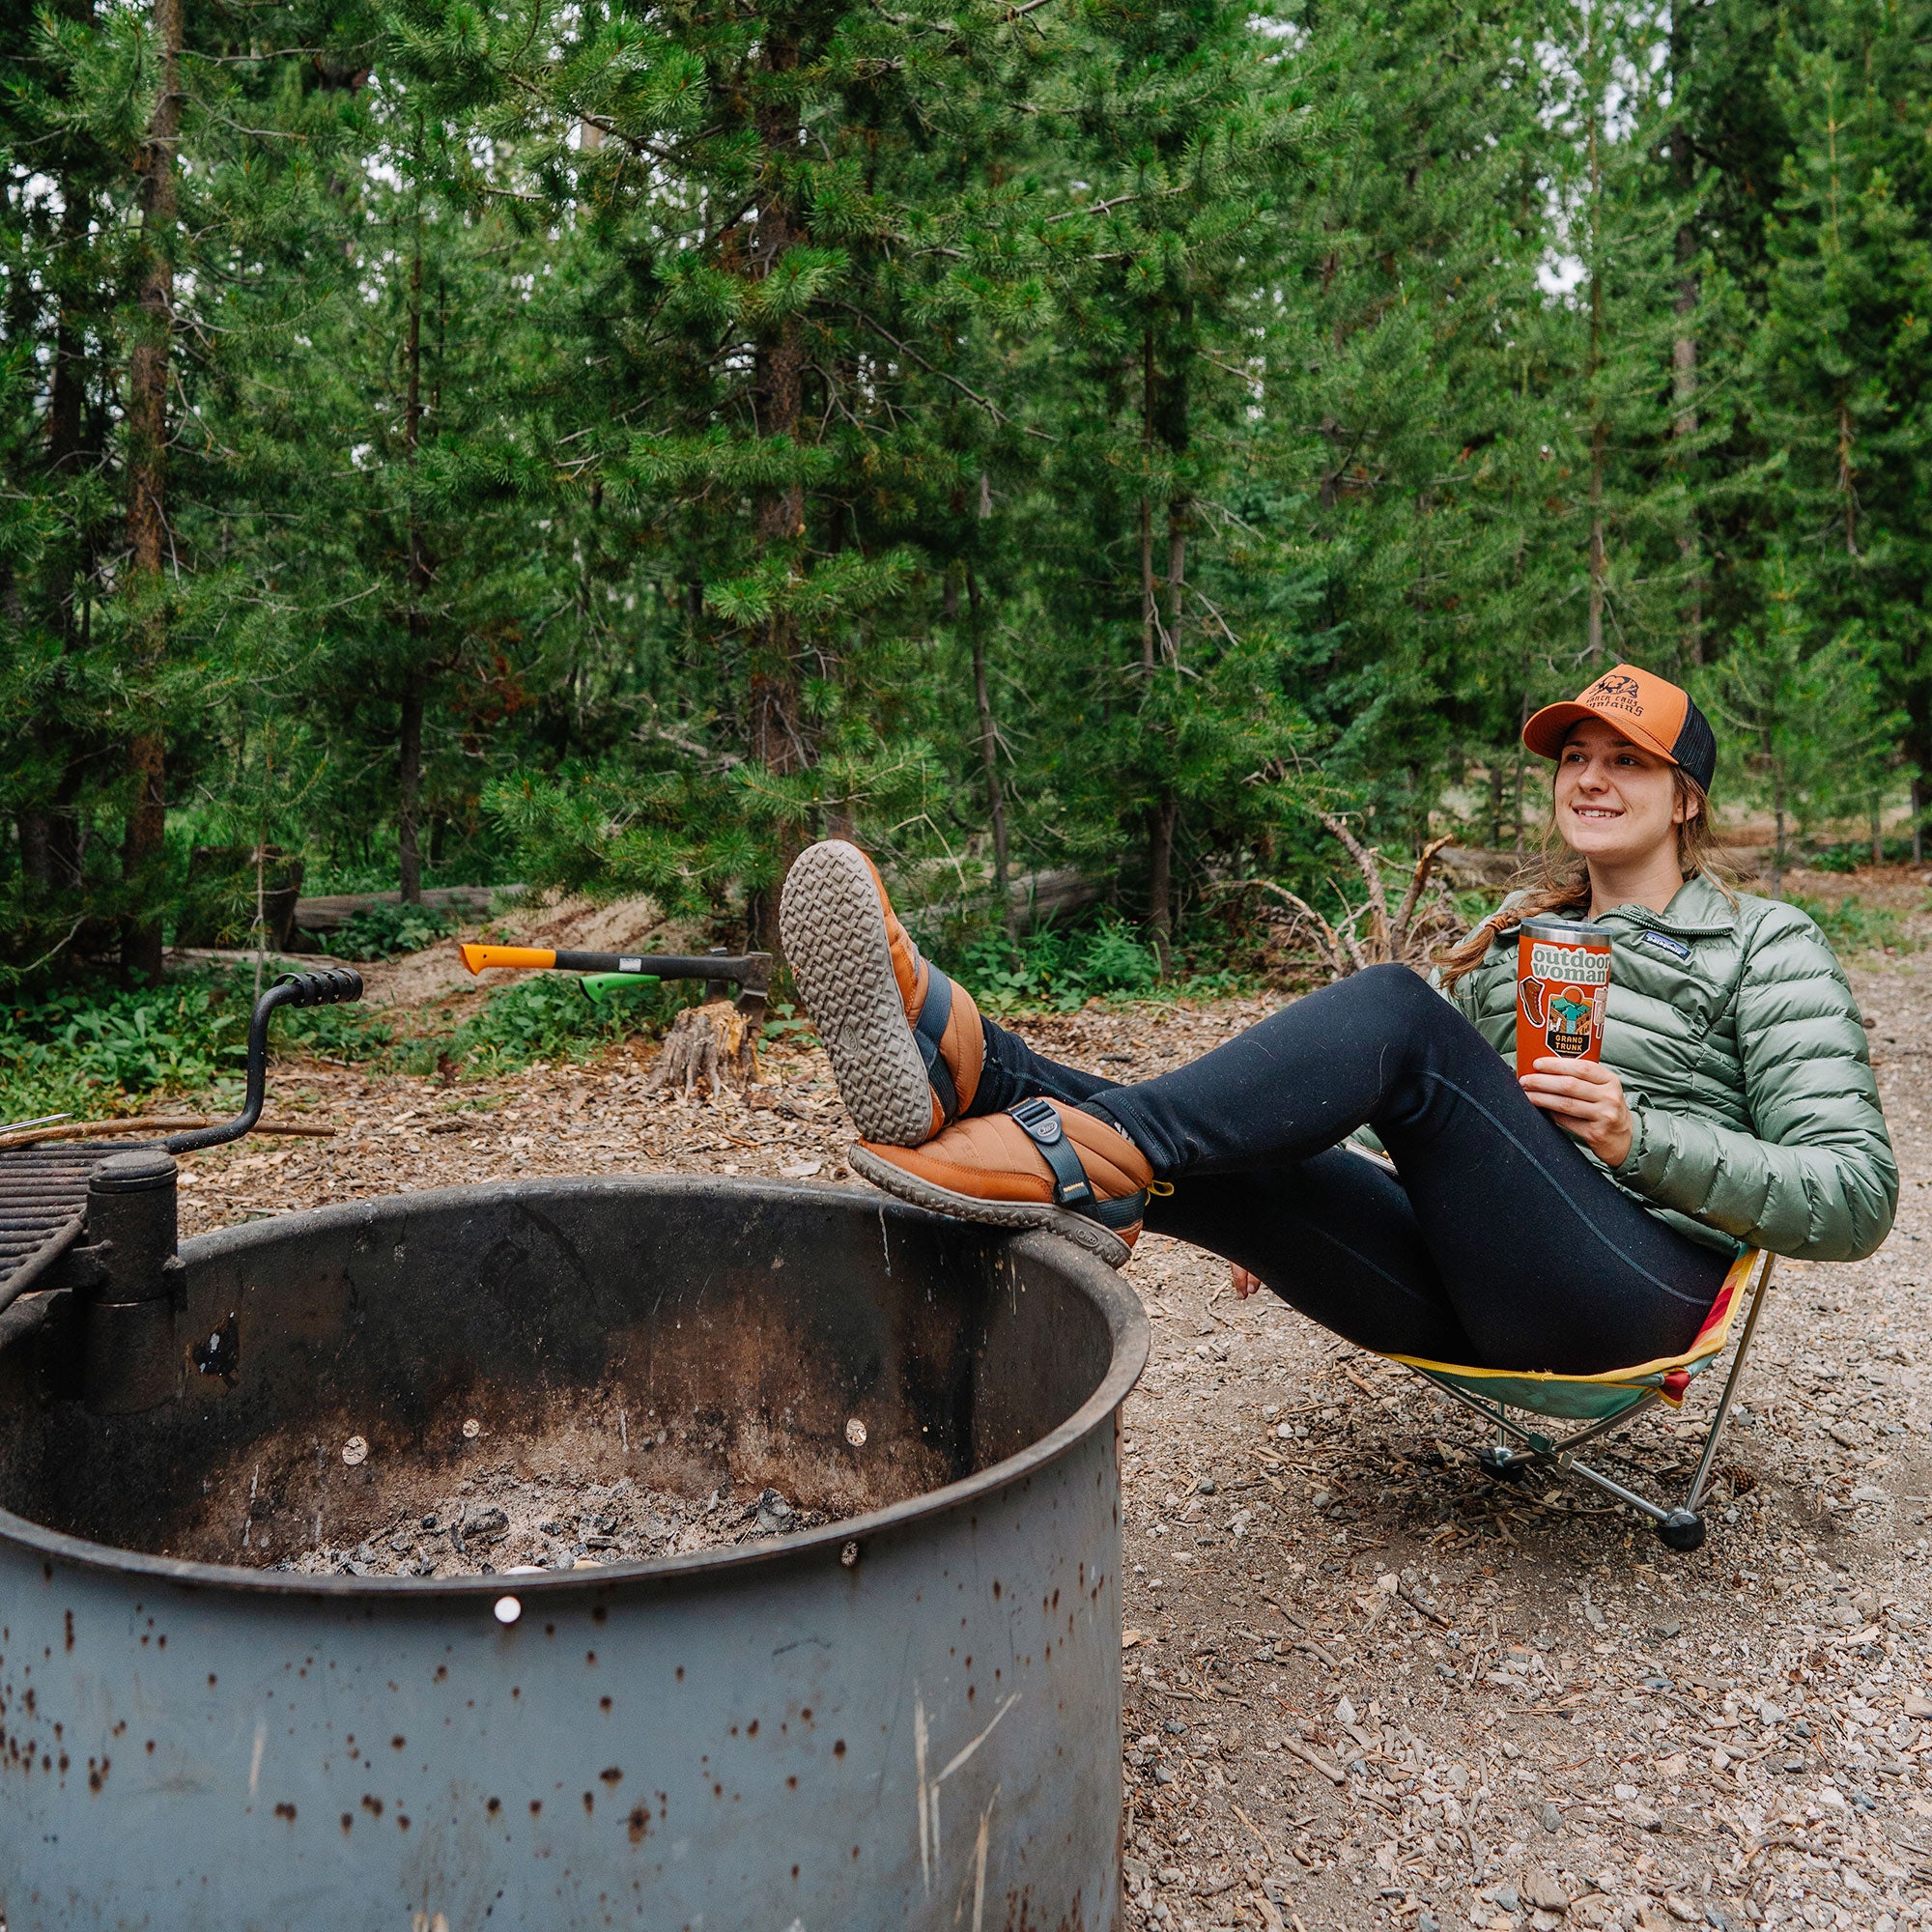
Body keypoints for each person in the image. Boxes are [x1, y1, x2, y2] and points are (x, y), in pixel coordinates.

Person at [778, 665, 1897, 1376]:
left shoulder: (1763, 943)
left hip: (1629, 1293)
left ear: (1685, 795)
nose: (1589, 778)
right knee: (1241, 1153)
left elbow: (1853, 1194)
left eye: (1626, 761)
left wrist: (1633, 1134)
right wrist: (1277, 1153)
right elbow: (1417, 1118)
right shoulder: (1519, 937)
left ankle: (1063, 1130)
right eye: (1574, 757)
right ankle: (981, 1074)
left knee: (1396, 1006)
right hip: (1471, 1282)